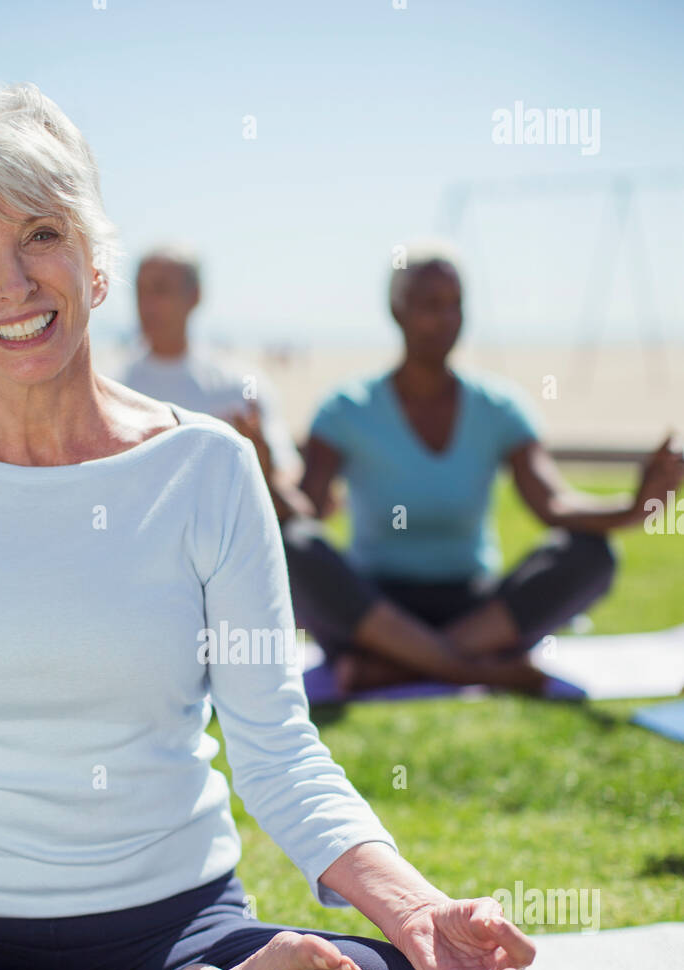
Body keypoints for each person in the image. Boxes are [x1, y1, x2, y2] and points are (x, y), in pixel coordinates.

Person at [0, 84, 535, 970]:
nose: (13, 282)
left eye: (41, 235)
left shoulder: (206, 468)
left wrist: (420, 911)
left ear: (93, 262)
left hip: (177, 940)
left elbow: (277, 749)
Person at [282, 244, 684, 695]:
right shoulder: (346, 409)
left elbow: (552, 503)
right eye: (431, 305)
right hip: (374, 608)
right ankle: (475, 669)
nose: (447, 319)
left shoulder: (499, 407)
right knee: (293, 546)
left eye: (455, 305)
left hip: (475, 608)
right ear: (398, 311)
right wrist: (259, 466)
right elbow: (306, 512)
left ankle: (395, 668)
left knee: (592, 555)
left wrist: (636, 506)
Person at [116, 245, 305, 485]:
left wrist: (261, 465)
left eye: (161, 289)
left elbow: (286, 468)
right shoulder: (111, 385)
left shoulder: (241, 385)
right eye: (141, 291)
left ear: (195, 295)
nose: (148, 303)